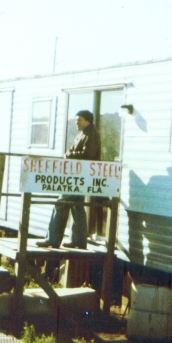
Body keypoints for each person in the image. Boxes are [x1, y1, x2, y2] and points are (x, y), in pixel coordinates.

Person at [44, 108, 101, 252]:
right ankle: (78, 241)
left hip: (82, 177)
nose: (76, 123)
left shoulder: (92, 134)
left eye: (79, 120)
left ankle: (53, 239)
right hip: (77, 177)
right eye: (75, 120)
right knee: (77, 207)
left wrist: (70, 154)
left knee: (61, 203)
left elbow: (88, 154)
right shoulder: (81, 134)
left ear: (87, 121)